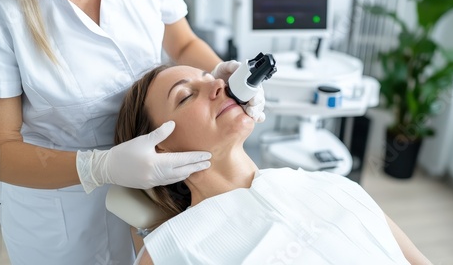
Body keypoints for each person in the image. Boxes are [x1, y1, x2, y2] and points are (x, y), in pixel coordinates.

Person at [0, 0, 265, 264]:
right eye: (185, 96)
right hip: (63, 216)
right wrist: (97, 167)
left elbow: (183, 43)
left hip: (158, 192)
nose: (216, 85)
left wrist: (232, 84)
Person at [114, 64, 433, 265]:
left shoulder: (334, 185)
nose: (219, 86)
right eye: (185, 96)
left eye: (211, 78)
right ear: (158, 147)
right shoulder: (172, 249)